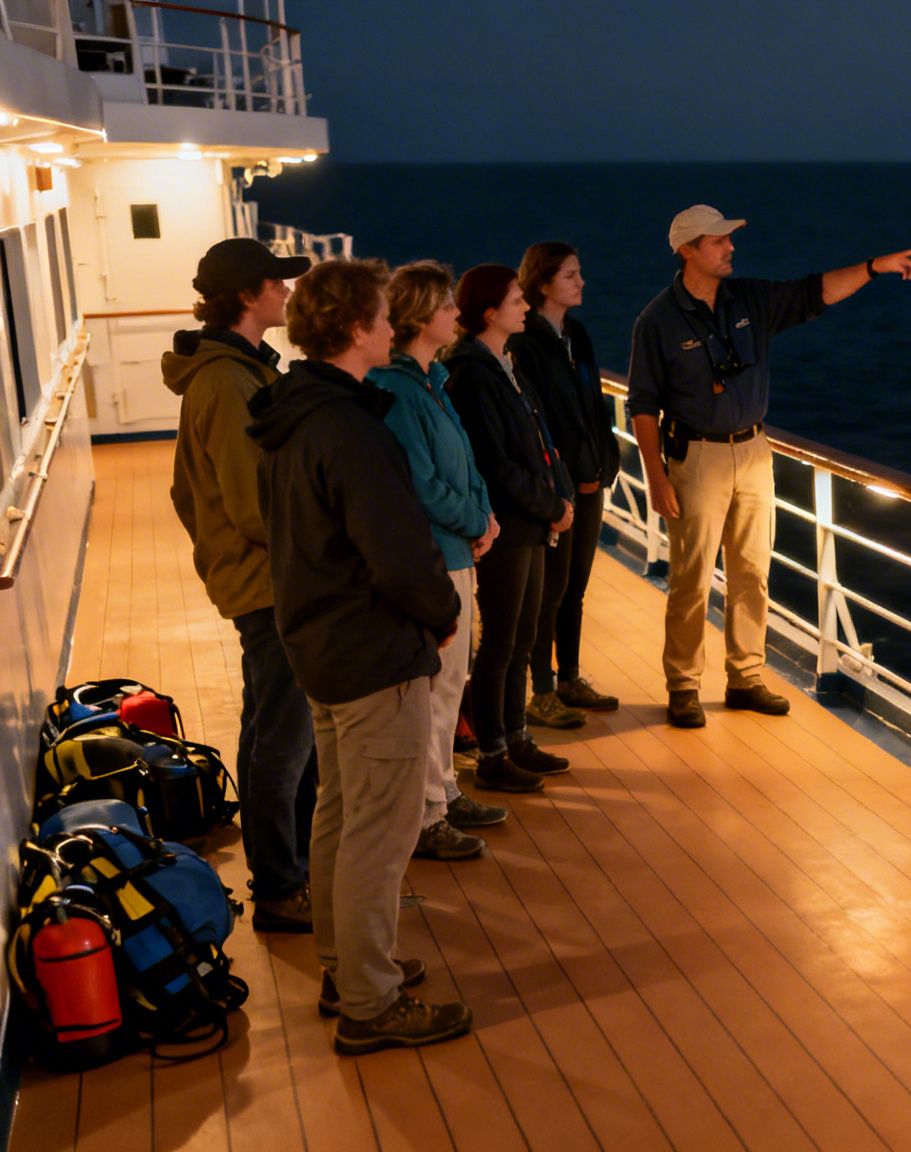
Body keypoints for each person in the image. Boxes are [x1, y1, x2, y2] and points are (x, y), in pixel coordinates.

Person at [245, 257, 471, 1054]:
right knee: (381, 828)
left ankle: (347, 966)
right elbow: (400, 554)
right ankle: (371, 1005)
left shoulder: (290, 414)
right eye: (381, 314)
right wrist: (441, 613)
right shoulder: (349, 429)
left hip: (319, 644)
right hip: (372, 652)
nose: (390, 323)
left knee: (340, 815)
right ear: (354, 330)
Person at [626, 205, 911, 728]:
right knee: (692, 578)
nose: (730, 248)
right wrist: (655, 477)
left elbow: (816, 291)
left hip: (754, 451)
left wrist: (874, 265)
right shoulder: (657, 320)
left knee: (752, 572)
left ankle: (745, 677)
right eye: (719, 241)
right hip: (696, 457)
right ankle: (683, 685)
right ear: (688, 250)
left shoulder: (750, 299)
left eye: (728, 239)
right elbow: (643, 406)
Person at [163, 237, 316, 934]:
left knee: (274, 731)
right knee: (280, 741)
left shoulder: (242, 371)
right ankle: (282, 889)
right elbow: (252, 505)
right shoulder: (226, 382)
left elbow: (187, 495)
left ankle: (296, 871)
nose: (286, 294)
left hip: (263, 577)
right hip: (269, 582)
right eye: (276, 285)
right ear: (249, 295)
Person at [367, 260, 509, 860]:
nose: (457, 313)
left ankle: (445, 788)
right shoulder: (400, 392)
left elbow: (465, 465)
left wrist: (484, 515)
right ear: (422, 316)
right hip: (438, 555)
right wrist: (478, 521)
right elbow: (422, 484)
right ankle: (426, 816)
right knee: (433, 692)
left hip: (460, 550)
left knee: (451, 688)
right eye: (448, 307)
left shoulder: (433, 380)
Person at [444, 264, 573, 790]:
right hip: (510, 524)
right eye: (517, 300)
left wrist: (559, 496)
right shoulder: (473, 374)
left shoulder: (506, 363)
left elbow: (540, 437)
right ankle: (493, 752)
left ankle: (517, 737)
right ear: (490, 311)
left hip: (533, 521)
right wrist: (549, 506)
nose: (525, 306)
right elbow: (496, 463)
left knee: (523, 637)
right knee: (500, 640)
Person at [509, 242, 621, 729]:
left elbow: (594, 402)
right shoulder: (526, 342)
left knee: (575, 586)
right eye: (571, 275)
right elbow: (537, 420)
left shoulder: (576, 334)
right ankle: (542, 689)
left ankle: (571, 676)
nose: (581, 282)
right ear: (544, 283)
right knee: (548, 590)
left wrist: (607, 458)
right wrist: (558, 480)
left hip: (591, 478)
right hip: (559, 485)